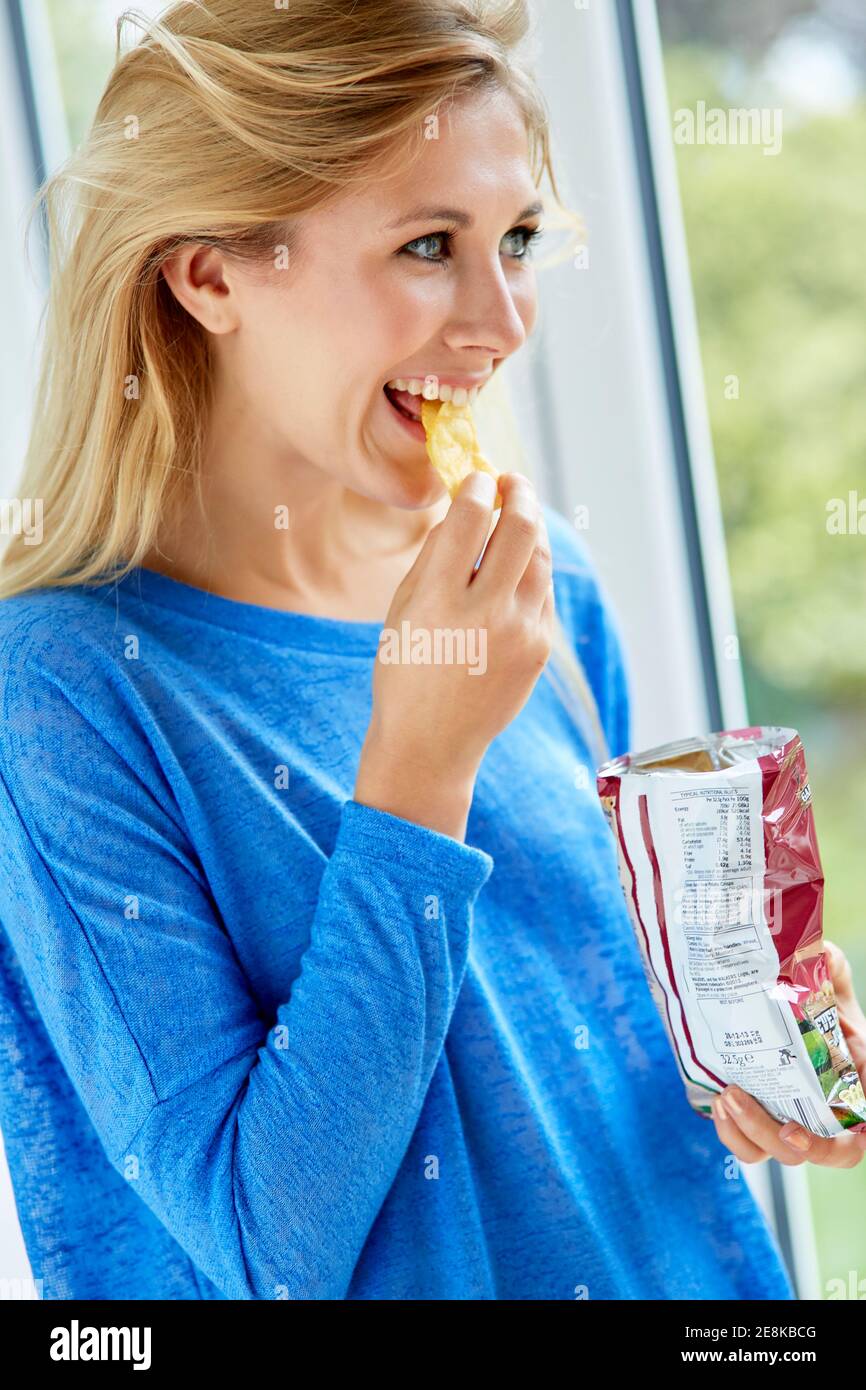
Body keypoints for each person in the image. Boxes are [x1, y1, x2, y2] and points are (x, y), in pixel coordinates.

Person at [1, 0, 863, 1302]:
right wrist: (416, 767)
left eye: (515, 238)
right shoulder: (58, 694)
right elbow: (264, 1247)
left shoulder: (541, 585)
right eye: (425, 245)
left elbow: (554, 1053)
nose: (503, 317)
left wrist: (756, 1040)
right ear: (211, 273)